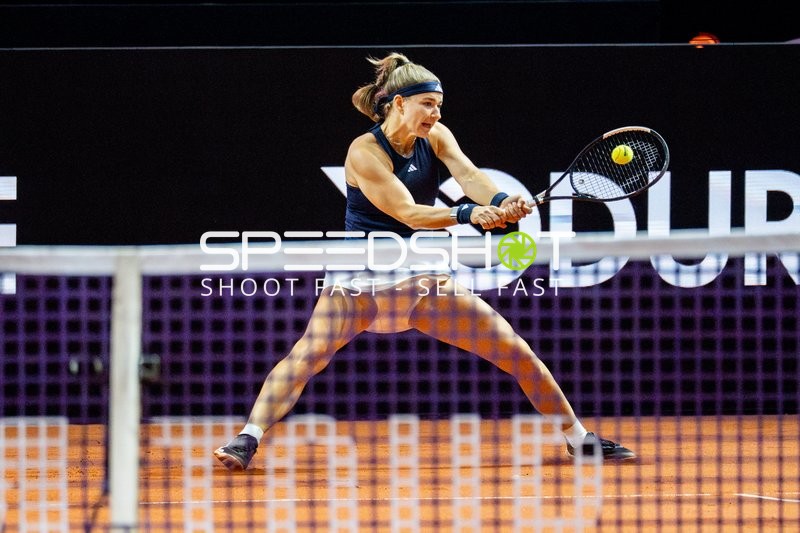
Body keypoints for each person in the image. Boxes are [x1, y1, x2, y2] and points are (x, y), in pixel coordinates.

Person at [214, 52, 634, 470]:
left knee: (515, 350)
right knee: (305, 357)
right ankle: (247, 438)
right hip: (361, 277)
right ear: (399, 103)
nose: (435, 113)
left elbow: (469, 176)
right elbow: (408, 213)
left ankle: (578, 438)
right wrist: (469, 214)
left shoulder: (436, 137)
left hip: (420, 279)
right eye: (428, 104)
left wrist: (502, 201)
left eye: (439, 105)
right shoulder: (364, 152)